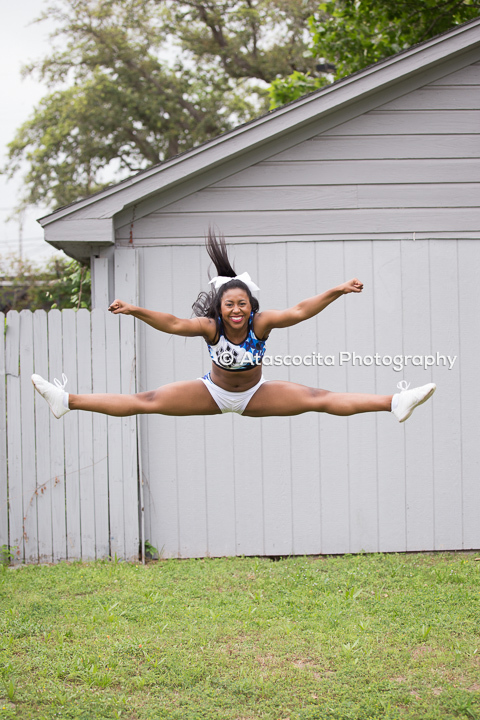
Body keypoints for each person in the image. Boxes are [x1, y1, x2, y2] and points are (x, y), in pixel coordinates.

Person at [32, 230, 435, 422]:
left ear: (250, 305)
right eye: (230, 305)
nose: (237, 310)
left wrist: (338, 289)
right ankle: (66, 401)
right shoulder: (211, 328)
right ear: (221, 308)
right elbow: (173, 323)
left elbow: (300, 310)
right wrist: (135, 309)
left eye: (243, 303)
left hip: (257, 394)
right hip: (211, 391)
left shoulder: (263, 323)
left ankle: (394, 402)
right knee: (147, 400)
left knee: (318, 396)